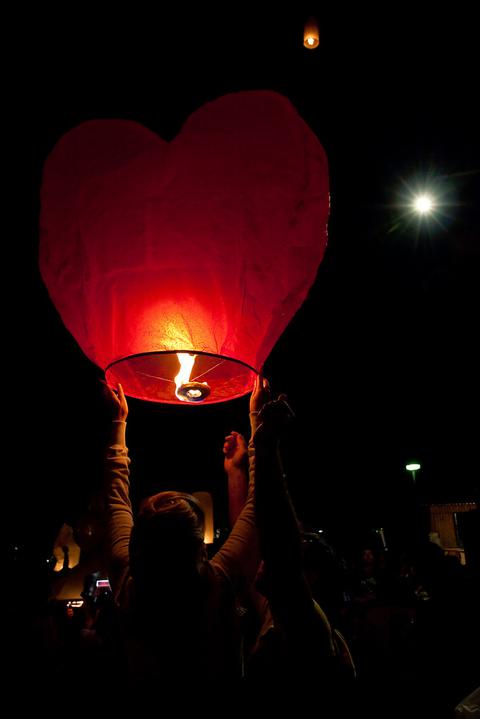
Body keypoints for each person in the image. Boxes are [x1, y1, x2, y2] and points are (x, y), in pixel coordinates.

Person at [102, 378, 266, 692]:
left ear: (137, 547)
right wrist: (258, 422)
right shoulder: (218, 585)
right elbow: (260, 506)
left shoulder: (128, 586)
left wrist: (116, 423)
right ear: (200, 550)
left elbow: (114, 500)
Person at [247, 392, 355, 708]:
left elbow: (278, 541)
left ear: (311, 576)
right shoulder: (286, 617)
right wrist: (247, 453)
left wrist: (266, 444)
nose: (264, 560)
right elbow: (258, 529)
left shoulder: (305, 626)